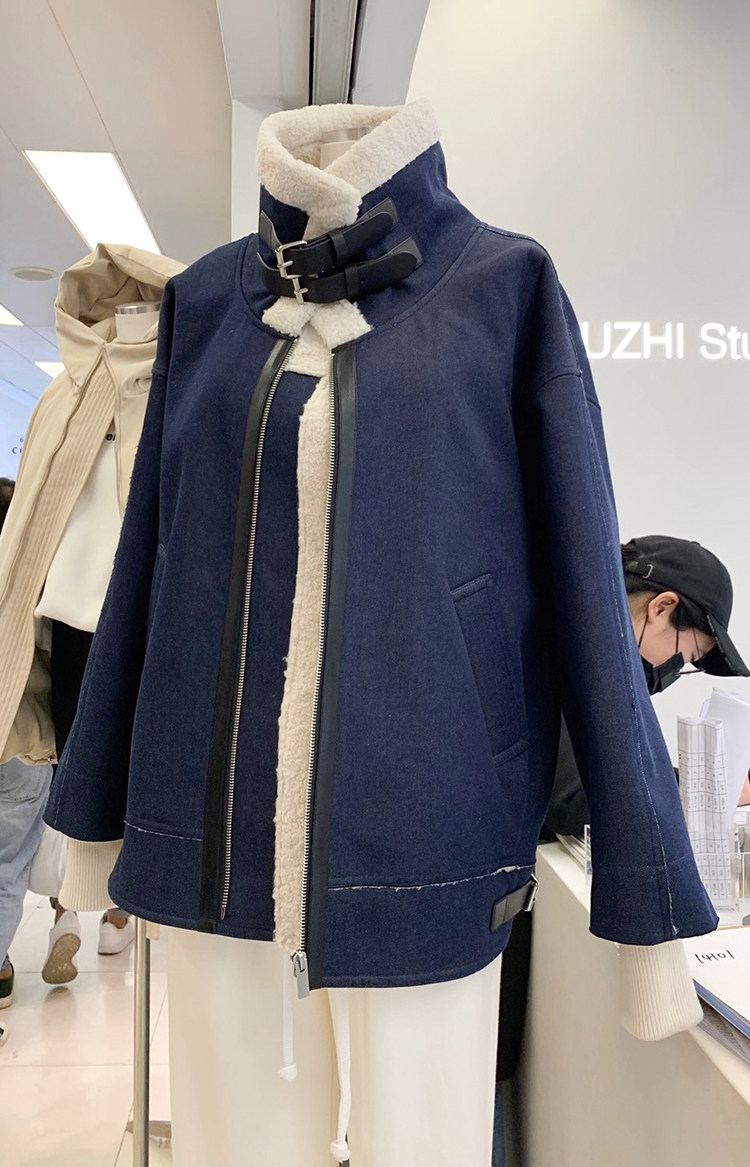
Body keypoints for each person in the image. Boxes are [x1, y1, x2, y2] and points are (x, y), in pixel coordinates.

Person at [494, 534, 749, 1166]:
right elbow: (576, 794)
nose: (675, 670)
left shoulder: (563, 632)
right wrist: (692, 792)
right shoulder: (575, 659)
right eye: (687, 656)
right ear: (661, 607)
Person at [0, 478, 134, 1048]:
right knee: (14, 862)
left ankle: (16, 960)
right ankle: (89, 916)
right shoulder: (35, 580)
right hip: (23, 736)